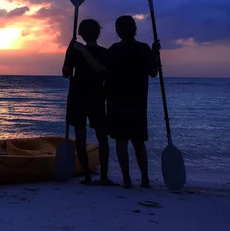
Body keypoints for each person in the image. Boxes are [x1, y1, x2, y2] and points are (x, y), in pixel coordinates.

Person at [105, 15, 160, 189]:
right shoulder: (144, 49)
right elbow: (154, 72)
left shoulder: (113, 50)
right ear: (134, 29)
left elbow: (106, 74)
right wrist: (155, 53)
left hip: (116, 101)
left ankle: (127, 179)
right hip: (138, 102)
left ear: (117, 32)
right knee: (138, 142)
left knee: (121, 142)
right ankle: (145, 179)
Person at [62, 18, 114, 186]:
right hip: (89, 97)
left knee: (92, 137)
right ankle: (96, 176)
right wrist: (70, 52)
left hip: (88, 97)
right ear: (98, 33)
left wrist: (76, 51)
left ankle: (93, 177)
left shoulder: (85, 51)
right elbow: (67, 72)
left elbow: (99, 69)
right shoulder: (102, 52)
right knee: (93, 137)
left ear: (81, 34)